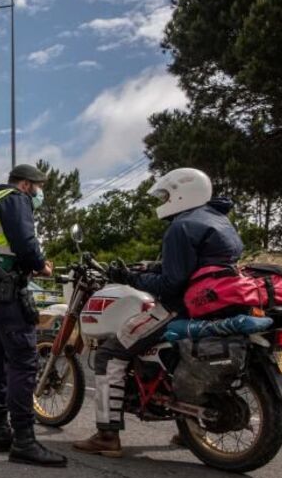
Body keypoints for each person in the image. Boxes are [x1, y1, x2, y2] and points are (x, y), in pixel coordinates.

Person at [73, 168, 244, 457]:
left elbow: (171, 284)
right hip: (219, 305)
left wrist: (130, 278)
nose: (163, 200)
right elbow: (194, 268)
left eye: (165, 194)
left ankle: (106, 436)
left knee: (110, 353)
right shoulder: (218, 220)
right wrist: (148, 268)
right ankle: (188, 429)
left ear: (182, 193)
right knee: (175, 357)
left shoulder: (181, 226)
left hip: (182, 307)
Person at [0, 163, 67, 467]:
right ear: (26, 185)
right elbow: (25, 243)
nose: (38, 194)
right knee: (24, 359)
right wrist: (41, 265)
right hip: (4, 288)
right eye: (37, 188)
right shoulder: (15, 200)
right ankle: (24, 441)